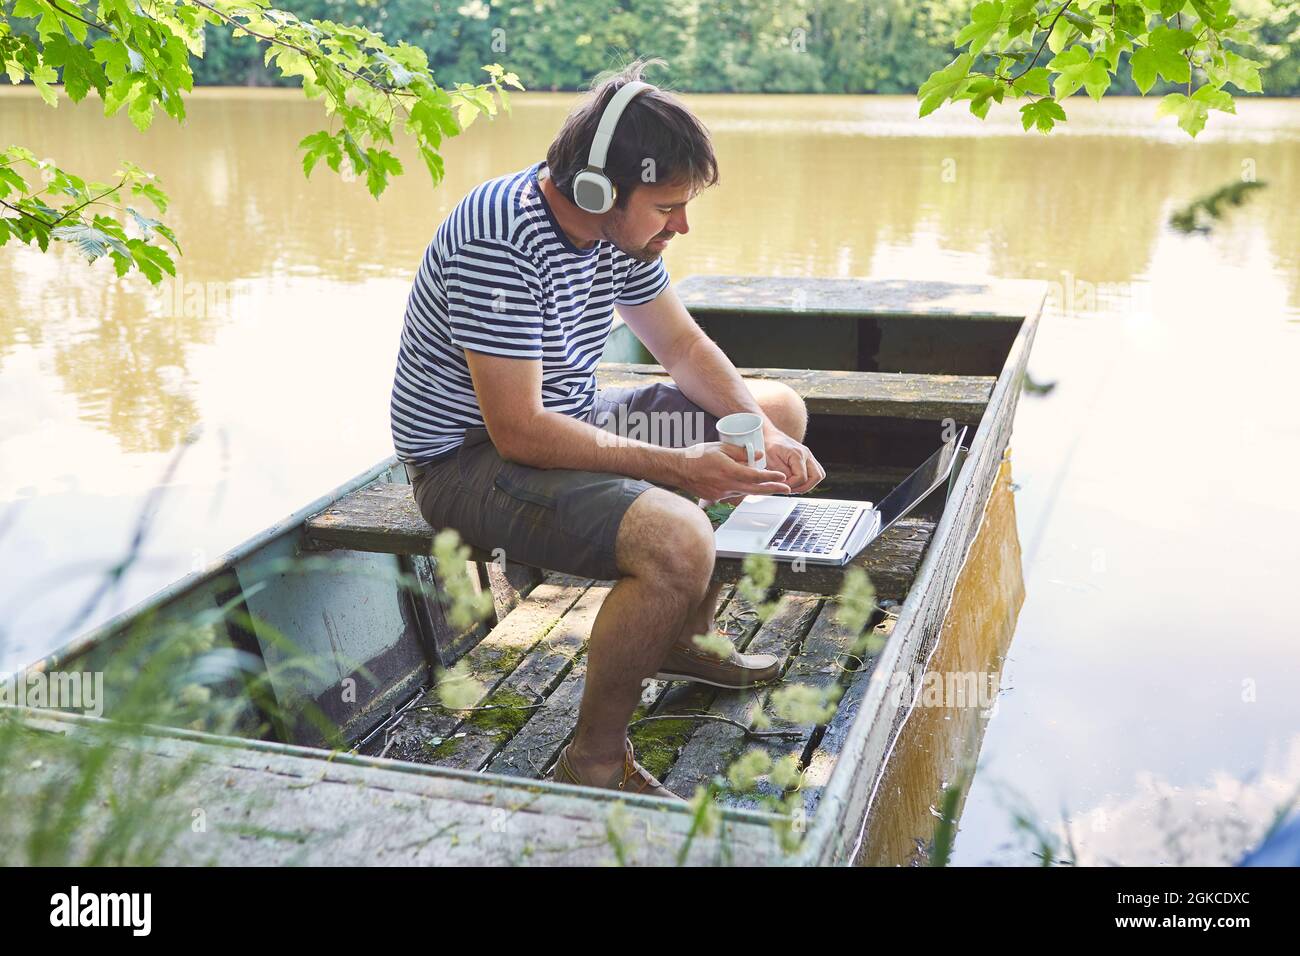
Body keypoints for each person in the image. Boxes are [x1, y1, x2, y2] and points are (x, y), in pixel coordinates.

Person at [389, 56, 825, 798]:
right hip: (466, 462)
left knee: (773, 411)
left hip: (568, 421)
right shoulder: (501, 237)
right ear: (598, 190)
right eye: (667, 207)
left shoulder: (622, 237)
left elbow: (682, 348)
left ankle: (685, 635)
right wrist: (681, 468)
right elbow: (521, 433)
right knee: (678, 538)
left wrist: (761, 430)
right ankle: (593, 762)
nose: (681, 225)